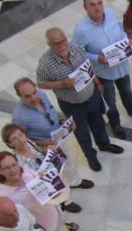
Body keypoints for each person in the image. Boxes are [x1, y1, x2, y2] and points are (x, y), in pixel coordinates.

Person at [36, 28, 123, 173]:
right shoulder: (45, 64)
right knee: (81, 131)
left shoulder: (76, 49)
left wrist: (97, 83)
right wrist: (61, 84)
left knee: (98, 122)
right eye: (56, 44)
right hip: (72, 104)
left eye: (63, 41)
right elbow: (40, 83)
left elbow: (87, 67)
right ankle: (90, 155)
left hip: (91, 95)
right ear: (49, 45)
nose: (62, 45)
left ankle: (104, 144)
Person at [72, 0, 132, 137]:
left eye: (99, 3)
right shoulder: (81, 30)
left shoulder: (110, 13)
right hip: (104, 72)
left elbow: (120, 29)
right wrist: (96, 58)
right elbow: (77, 53)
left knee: (127, 90)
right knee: (110, 100)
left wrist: (126, 39)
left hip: (121, 64)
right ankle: (115, 123)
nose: (97, 8)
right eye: (92, 5)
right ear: (85, 8)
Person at [10, 81, 92, 191]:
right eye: (27, 96)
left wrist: (64, 120)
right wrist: (41, 143)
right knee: (54, 173)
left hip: (59, 137)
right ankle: (63, 199)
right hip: (45, 148)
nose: (34, 98)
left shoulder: (42, 95)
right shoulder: (19, 117)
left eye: (34, 93)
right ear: (19, 96)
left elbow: (52, 112)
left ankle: (75, 181)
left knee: (67, 161)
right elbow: (22, 140)